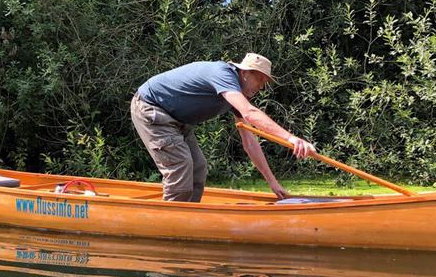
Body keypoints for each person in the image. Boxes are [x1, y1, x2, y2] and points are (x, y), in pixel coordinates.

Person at [131, 53, 317, 202]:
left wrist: (273, 183)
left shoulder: (235, 93)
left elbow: (250, 142)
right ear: (245, 73)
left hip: (177, 119)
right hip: (152, 108)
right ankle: (168, 222)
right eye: (259, 80)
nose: (261, 87)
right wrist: (291, 139)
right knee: (181, 165)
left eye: (264, 83)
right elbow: (250, 114)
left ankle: (188, 218)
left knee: (198, 167)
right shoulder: (223, 75)